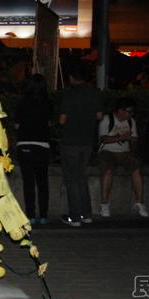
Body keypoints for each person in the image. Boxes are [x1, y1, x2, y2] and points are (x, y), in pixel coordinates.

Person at [58, 63, 103, 227]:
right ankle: (86, 213)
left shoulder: (69, 94)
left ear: (71, 78)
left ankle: (75, 216)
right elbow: (99, 116)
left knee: (71, 179)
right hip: (87, 141)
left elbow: (62, 120)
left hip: (70, 140)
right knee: (82, 177)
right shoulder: (94, 93)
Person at [97, 97, 149, 218]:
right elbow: (103, 139)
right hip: (107, 151)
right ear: (120, 110)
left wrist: (133, 143)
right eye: (129, 111)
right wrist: (122, 138)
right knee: (108, 170)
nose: (131, 114)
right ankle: (104, 204)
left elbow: (134, 141)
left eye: (132, 112)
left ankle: (139, 202)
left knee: (136, 168)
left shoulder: (131, 121)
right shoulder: (107, 119)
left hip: (124, 152)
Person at [14, 73, 51, 225]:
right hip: (42, 145)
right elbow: (49, 124)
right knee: (42, 182)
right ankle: (43, 216)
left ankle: (30, 215)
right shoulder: (48, 103)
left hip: (25, 145)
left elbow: (16, 125)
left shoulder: (22, 102)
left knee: (28, 182)